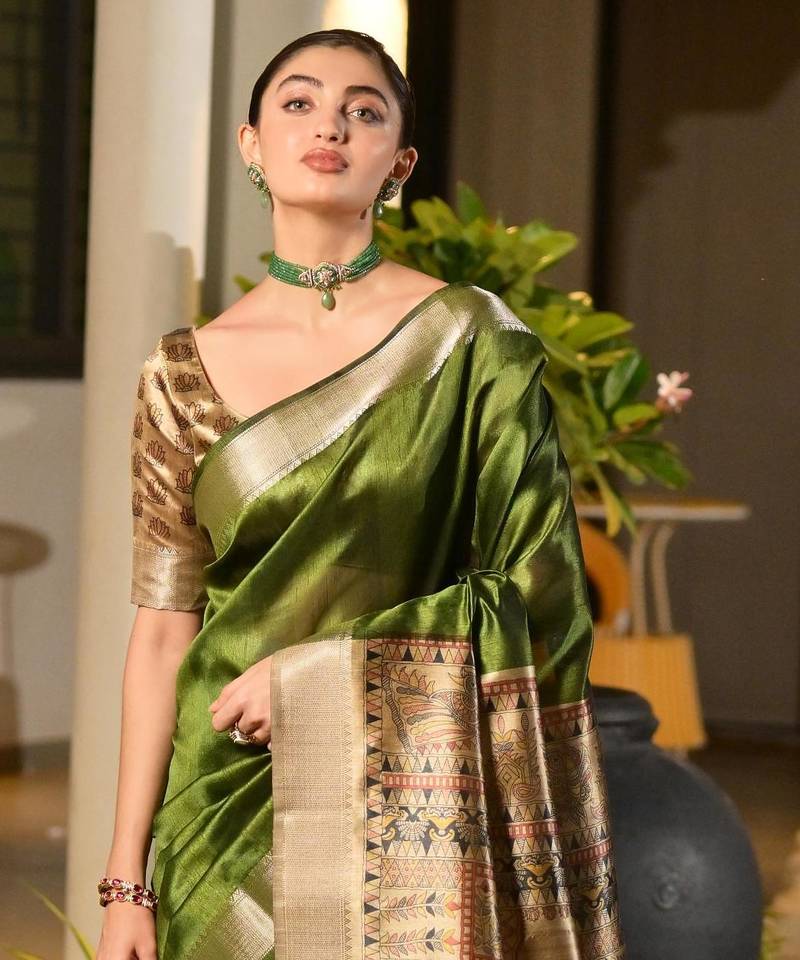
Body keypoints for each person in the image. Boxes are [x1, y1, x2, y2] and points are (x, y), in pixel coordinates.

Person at [97, 27, 625, 960]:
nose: (329, 125)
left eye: (364, 111)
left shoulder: (471, 344)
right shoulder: (178, 375)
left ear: (400, 163)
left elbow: (539, 590)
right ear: (252, 143)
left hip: (411, 804)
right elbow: (164, 634)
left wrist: (323, 680)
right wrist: (125, 881)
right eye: (299, 102)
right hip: (221, 803)